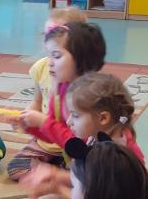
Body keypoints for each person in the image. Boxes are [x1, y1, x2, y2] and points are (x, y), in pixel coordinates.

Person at [6, 22, 106, 181]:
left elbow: (79, 146)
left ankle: (65, 174)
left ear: (81, 59)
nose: (49, 62)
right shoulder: (60, 86)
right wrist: (29, 125)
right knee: (16, 168)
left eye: (57, 56)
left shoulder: (89, 96)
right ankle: (64, 171)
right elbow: (52, 132)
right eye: (49, 56)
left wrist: (43, 122)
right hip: (65, 148)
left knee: (92, 179)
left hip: (88, 154)